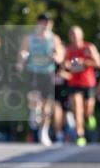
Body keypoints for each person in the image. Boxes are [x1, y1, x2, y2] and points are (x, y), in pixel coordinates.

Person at [18, 13, 65, 146]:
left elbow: (61, 55)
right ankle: (34, 111)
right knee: (33, 97)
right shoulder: (29, 38)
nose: (45, 25)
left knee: (47, 105)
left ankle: (43, 132)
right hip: (34, 72)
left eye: (48, 23)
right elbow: (22, 52)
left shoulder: (54, 39)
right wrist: (21, 62)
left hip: (48, 73)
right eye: (43, 22)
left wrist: (57, 57)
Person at [64, 26, 100, 146]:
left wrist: (84, 62)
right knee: (77, 108)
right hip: (74, 83)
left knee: (88, 109)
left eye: (76, 34)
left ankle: (89, 116)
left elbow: (99, 63)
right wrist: (69, 67)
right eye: (72, 34)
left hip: (88, 83)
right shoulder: (68, 49)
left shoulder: (89, 47)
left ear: (81, 35)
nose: (74, 37)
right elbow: (65, 64)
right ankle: (80, 135)